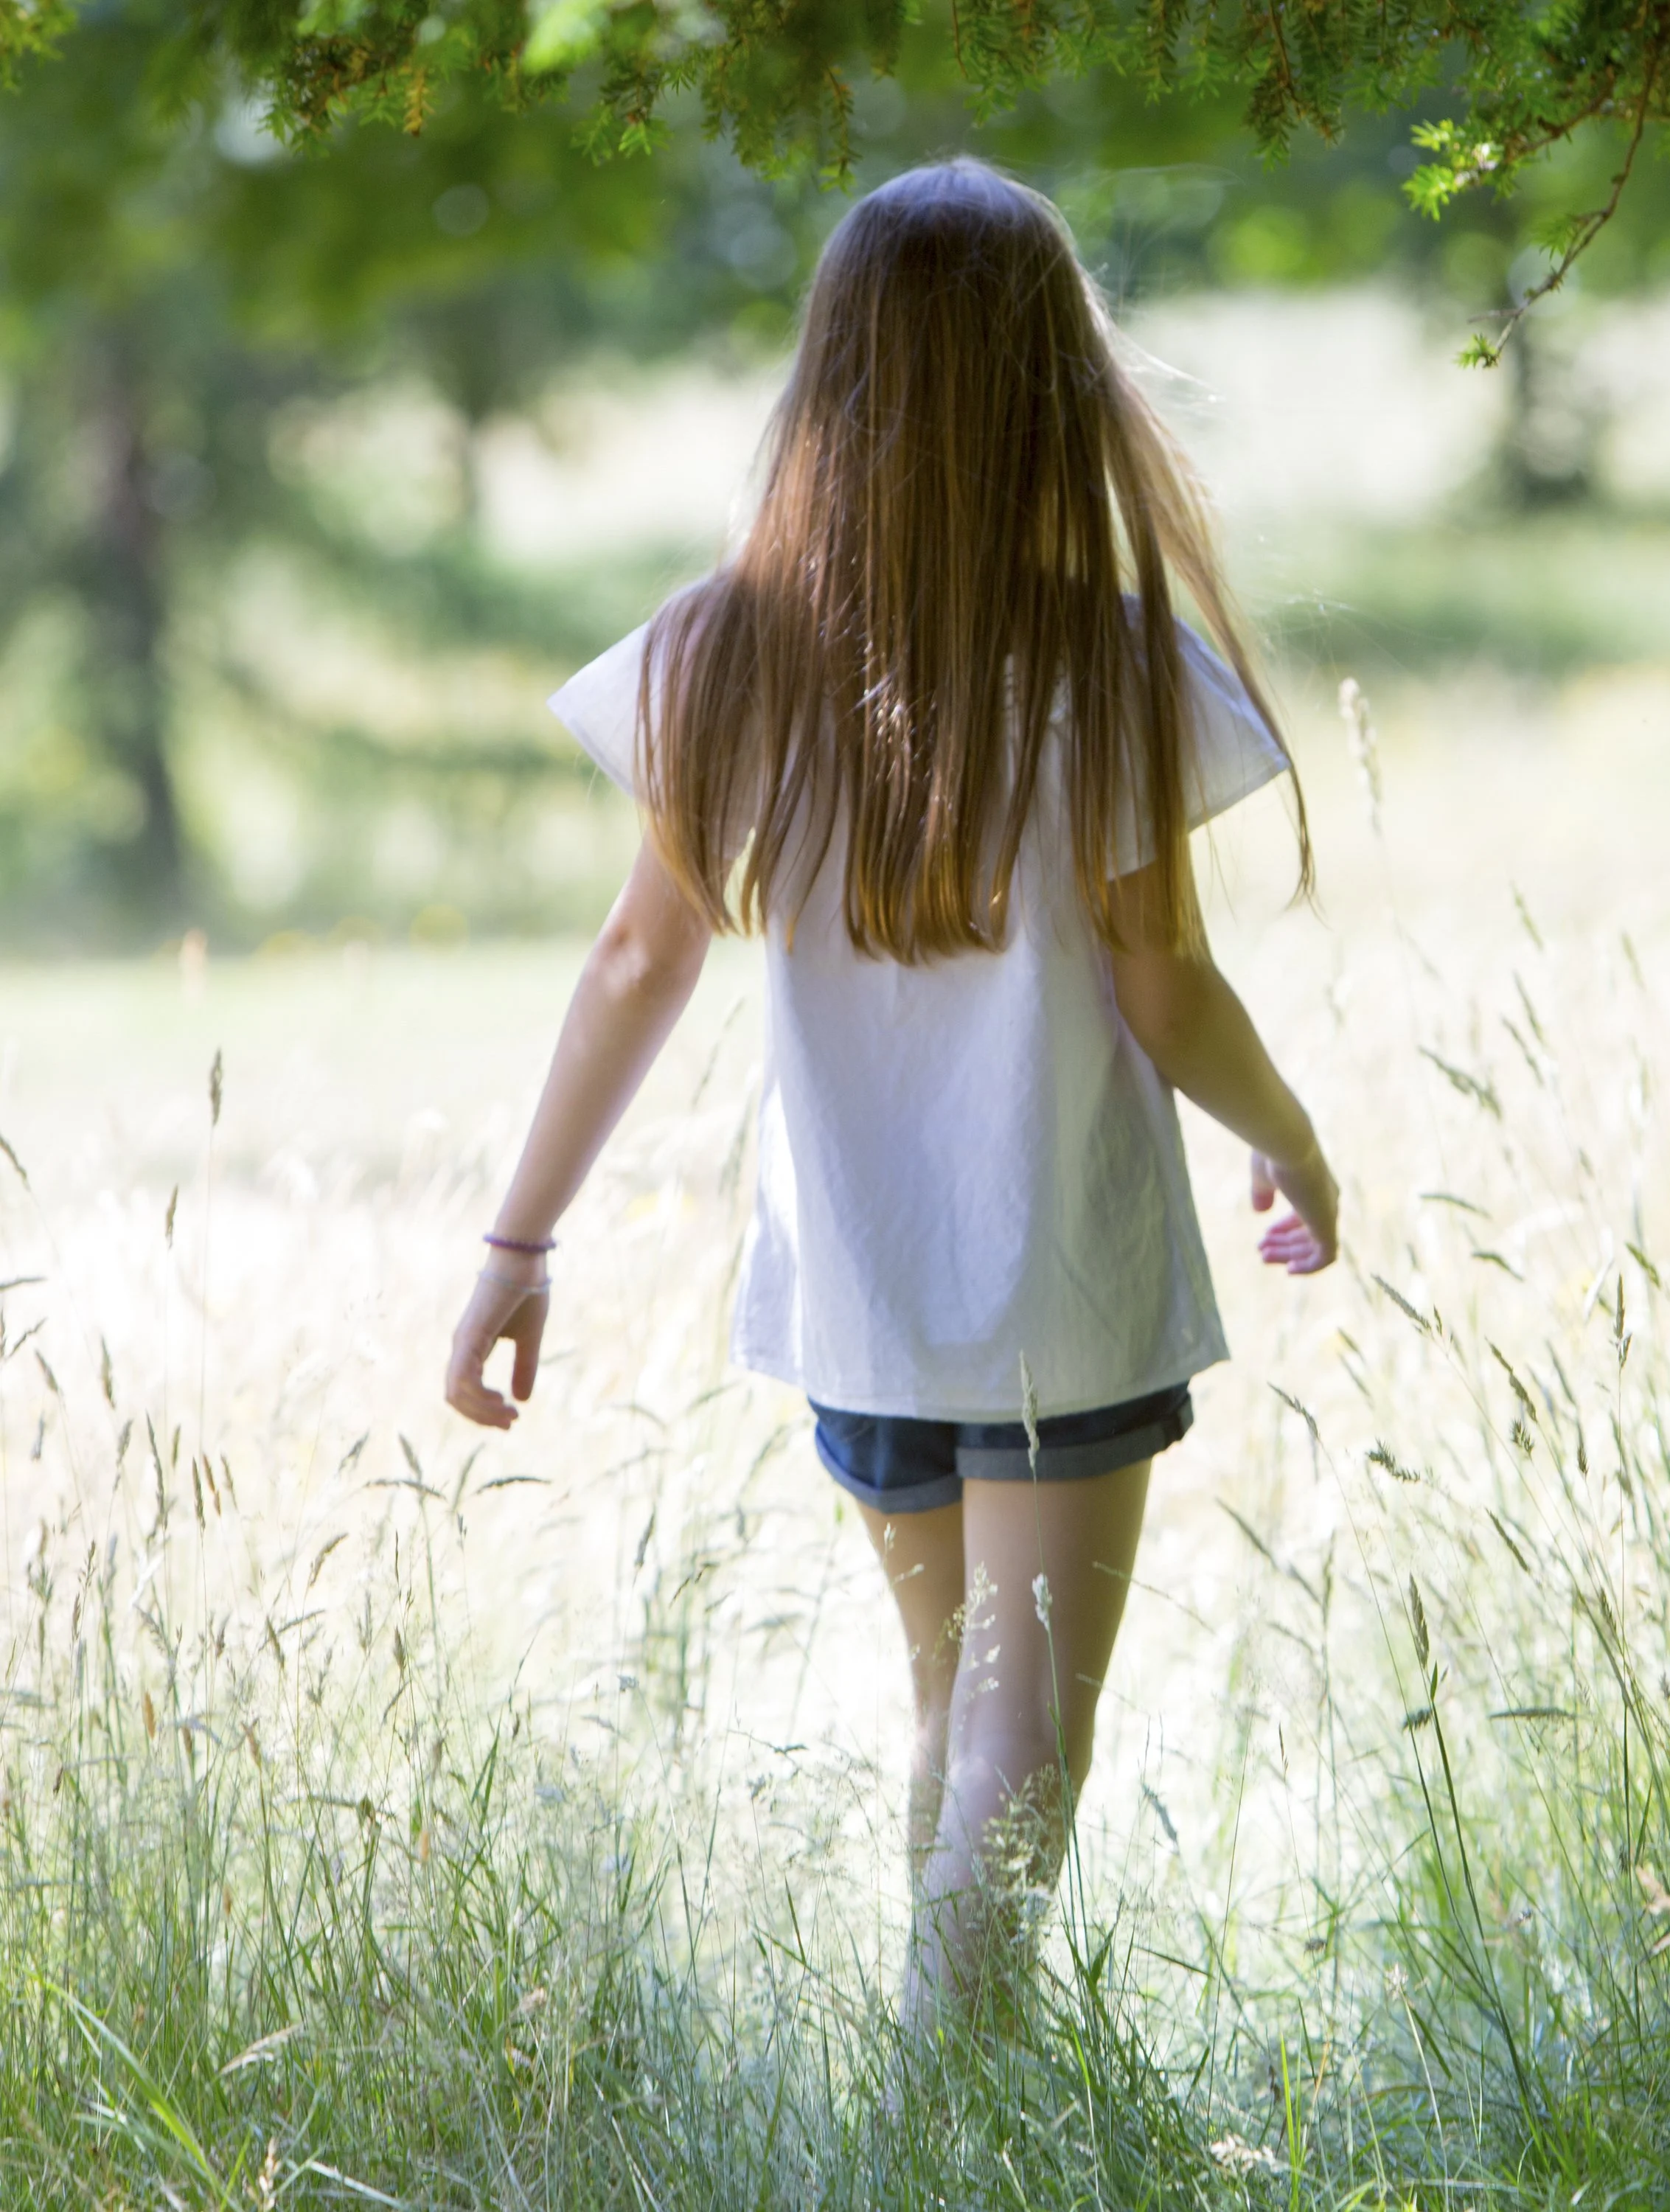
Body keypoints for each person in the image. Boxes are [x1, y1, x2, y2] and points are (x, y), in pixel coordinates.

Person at [445, 159, 1338, 2025]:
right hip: (1065, 1303)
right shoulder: (1104, 663)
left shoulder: (719, 657)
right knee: (1022, 1752)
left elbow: (635, 958)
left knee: (951, 1717)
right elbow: (1156, 979)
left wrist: (516, 1240)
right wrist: (1289, 1135)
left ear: (826, 382)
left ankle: (948, 2092)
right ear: (1054, 394)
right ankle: (939, 2123)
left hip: (855, 1301)